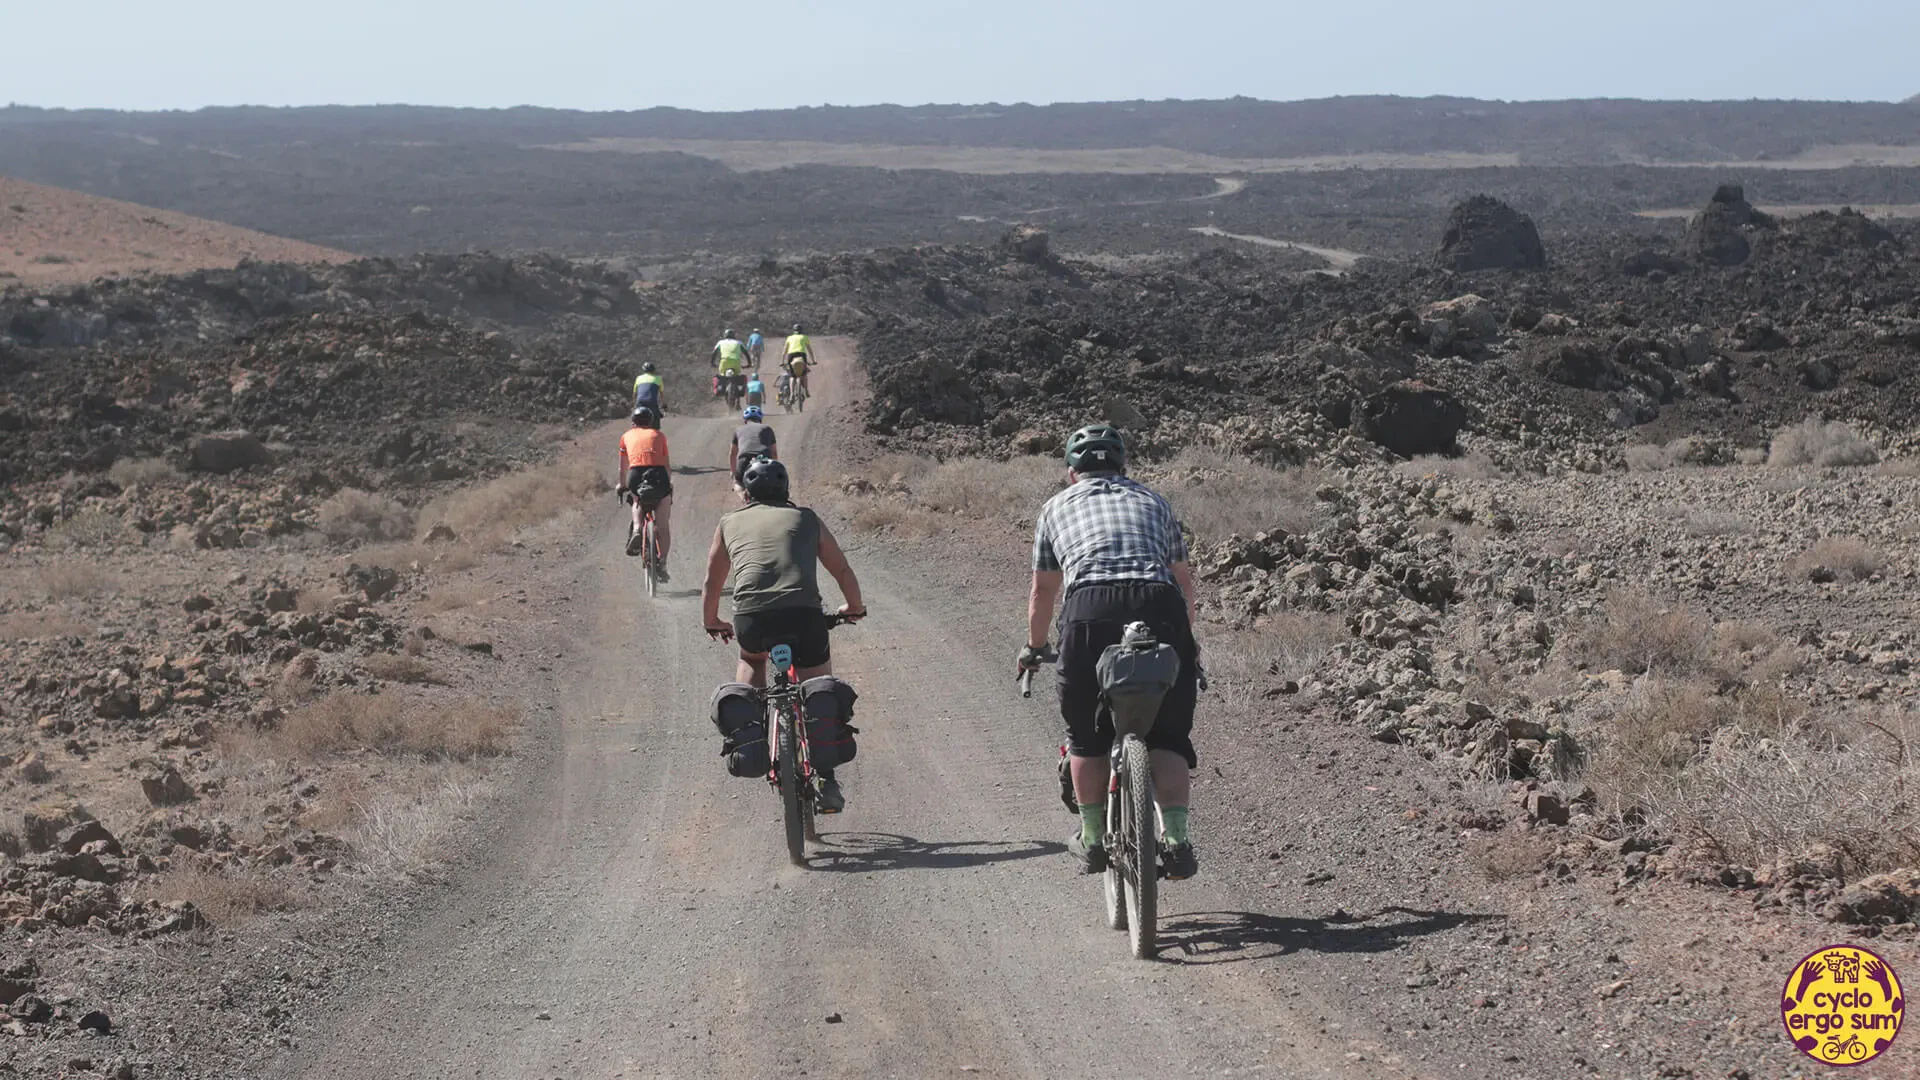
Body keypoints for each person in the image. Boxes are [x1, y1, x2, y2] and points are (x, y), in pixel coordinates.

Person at [1018, 424, 1200, 880]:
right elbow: (1183, 580)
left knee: (1086, 735)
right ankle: (1176, 843)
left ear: (1071, 471)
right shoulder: (1154, 501)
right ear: (1123, 467)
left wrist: (1035, 648)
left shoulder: (1055, 507)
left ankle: (1094, 839)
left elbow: (1043, 592)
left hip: (1089, 608)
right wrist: (1183, 643)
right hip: (1160, 604)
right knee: (1167, 737)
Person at [702, 457, 866, 810]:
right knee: (815, 683)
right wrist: (854, 606)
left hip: (751, 619)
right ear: (786, 490)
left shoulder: (729, 522)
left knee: (751, 658)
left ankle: (754, 732)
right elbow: (841, 568)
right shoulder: (806, 518)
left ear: (746, 494)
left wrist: (711, 620)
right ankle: (826, 778)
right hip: (804, 616)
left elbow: (712, 581)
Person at [615, 407, 673, 579]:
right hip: (658, 475)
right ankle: (662, 562)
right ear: (651, 421)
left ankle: (638, 528)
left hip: (636, 474)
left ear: (633, 422)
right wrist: (668, 485)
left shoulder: (625, 437)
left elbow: (622, 467)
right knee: (663, 526)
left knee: (636, 499)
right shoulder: (659, 435)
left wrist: (622, 485)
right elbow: (666, 465)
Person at [729, 405, 777, 488]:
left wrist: (733, 472)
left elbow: (732, 453)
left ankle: (744, 498)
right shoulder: (767, 428)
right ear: (760, 419)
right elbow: (774, 453)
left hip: (744, 461)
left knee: (738, 483)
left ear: (745, 420)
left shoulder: (738, 429)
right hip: (764, 459)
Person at [713, 329, 749, 398]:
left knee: (721, 376)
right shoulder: (739, 343)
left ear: (725, 335)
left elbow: (714, 353)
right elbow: (746, 353)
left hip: (724, 362)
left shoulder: (720, 342)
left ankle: (718, 388)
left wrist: (712, 363)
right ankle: (738, 394)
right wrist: (749, 364)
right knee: (736, 377)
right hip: (736, 363)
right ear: (734, 335)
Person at [784, 323, 814, 394]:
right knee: (804, 374)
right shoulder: (804, 337)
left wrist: (782, 361)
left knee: (792, 376)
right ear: (801, 330)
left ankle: (791, 394)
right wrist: (813, 360)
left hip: (791, 355)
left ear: (794, 330)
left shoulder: (789, 338)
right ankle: (806, 390)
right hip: (802, 355)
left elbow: (784, 351)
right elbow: (810, 350)